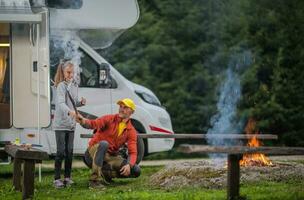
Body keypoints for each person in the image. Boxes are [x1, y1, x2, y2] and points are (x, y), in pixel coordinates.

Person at [76, 98, 141, 188]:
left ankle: (106, 174)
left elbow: (133, 152)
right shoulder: (109, 118)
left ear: (132, 112)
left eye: (125, 107)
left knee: (136, 170)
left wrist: (129, 165)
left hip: (110, 157)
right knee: (104, 144)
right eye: (121, 107)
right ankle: (94, 181)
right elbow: (93, 124)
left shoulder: (131, 131)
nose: (121, 109)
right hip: (92, 154)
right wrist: (82, 121)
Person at [53, 59, 86, 188]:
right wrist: (70, 112)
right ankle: (56, 179)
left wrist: (80, 103)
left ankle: (67, 177)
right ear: (63, 71)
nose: (71, 75)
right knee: (60, 152)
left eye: (72, 73)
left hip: (71, 125)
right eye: (68, 72)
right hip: (61, 124)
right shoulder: (61, 86)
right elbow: (61, 103)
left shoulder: (74, 86)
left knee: (70, 151)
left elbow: (73, 102)